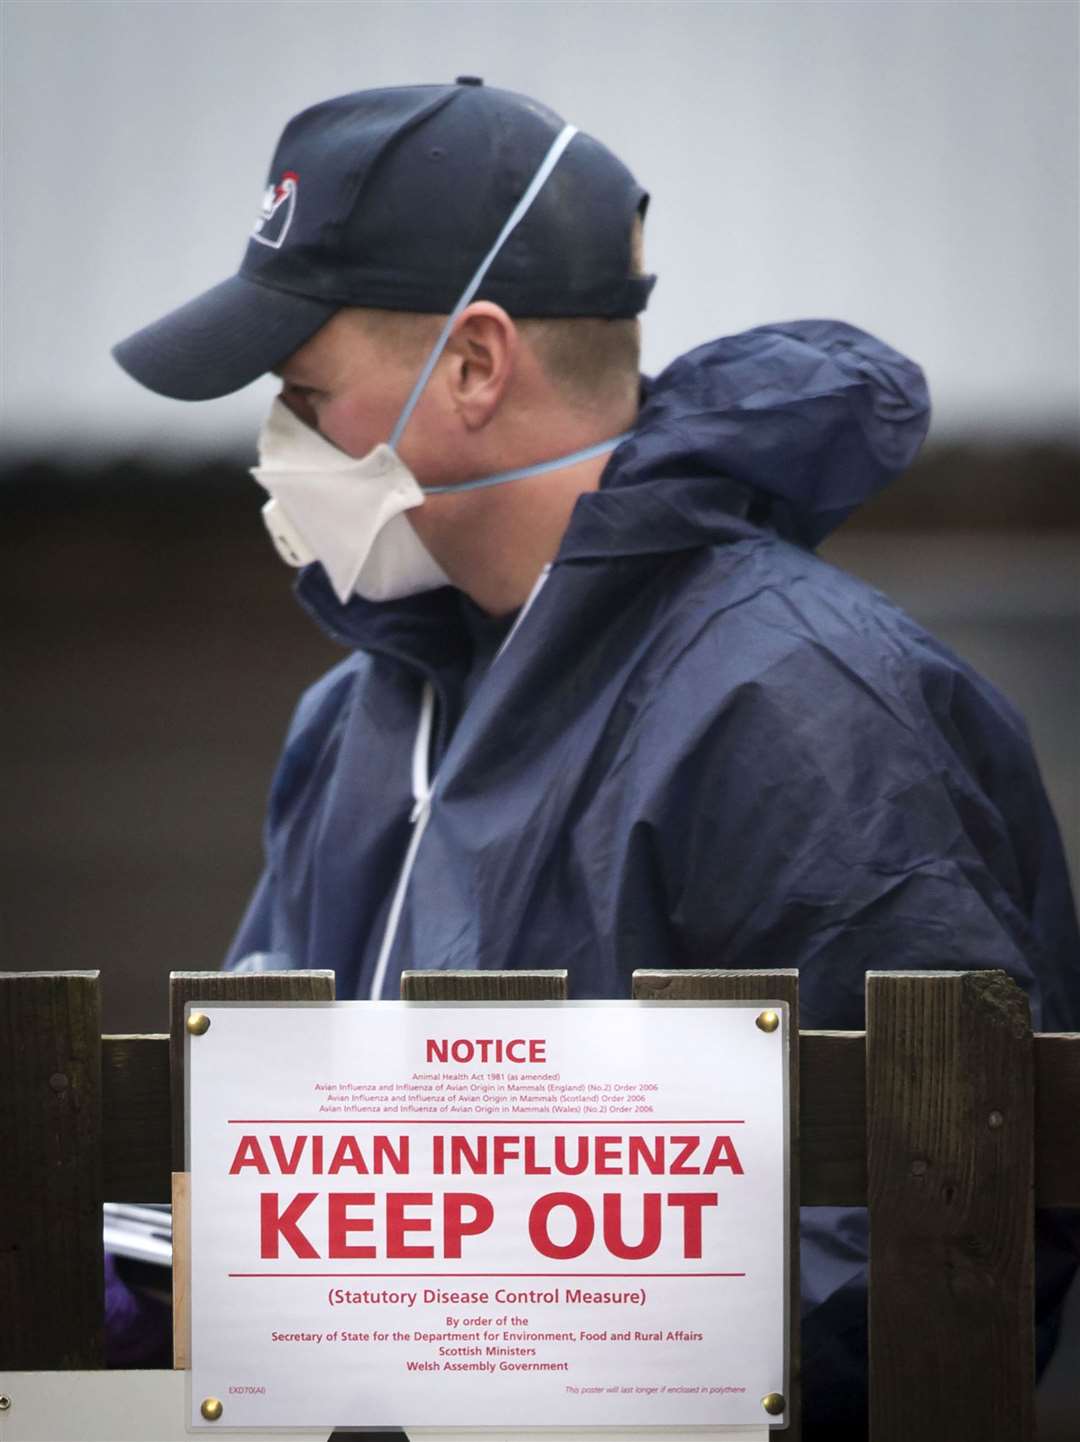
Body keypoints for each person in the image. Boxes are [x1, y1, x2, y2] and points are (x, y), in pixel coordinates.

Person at [113, 78, 1080, 1438]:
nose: (279, 443)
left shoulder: (802, 704)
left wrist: (443, 1336)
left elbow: (932, 1236)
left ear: (473, 364)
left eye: (303, 391)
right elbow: (257, 1150)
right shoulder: (347, 723)